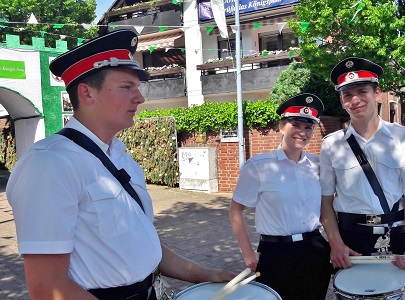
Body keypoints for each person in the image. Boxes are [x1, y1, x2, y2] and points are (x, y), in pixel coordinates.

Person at [6, 29, 234, 300]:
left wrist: (207, 274)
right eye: (127, 87)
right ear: (87, 93)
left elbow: (142, 248)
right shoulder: (49, 163)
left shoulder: (121, 158)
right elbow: (47, 288)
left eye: (137, 88)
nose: (140, 98)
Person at [320, 57, 405, 271]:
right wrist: (336, 244)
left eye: (362, 91)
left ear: (377, 94)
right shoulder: (331, 145)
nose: (355, 100)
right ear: (342, 102)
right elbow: (326, 202)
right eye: (347, 95)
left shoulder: (404, 138)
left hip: (396, 236)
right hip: (350, 241)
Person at [230, 93, 333, 299]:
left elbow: (326, 209)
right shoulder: (259, 166)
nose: (302, 132)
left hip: (314, 247)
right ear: (281, 127)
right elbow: (236, 209)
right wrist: (247, 252)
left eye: (308, 127)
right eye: (295, 124)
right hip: (275, 252)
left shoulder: (318, 165)